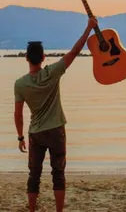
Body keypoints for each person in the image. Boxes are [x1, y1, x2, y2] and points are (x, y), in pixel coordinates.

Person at [14, 16, 97, 212]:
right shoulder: (53, 72)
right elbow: (75, 51)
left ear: (26, 58)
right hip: (56, 131)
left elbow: (18, 115)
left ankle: (32, 210)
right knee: (58, 174)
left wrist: (20, 137)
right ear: (43, 58)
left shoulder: (20, 84)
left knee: (34, 174)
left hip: (36, 133)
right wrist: (88, 29)